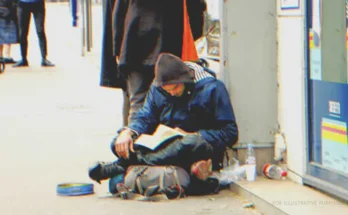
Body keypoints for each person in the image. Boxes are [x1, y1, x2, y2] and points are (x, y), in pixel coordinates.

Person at [89, 53, 239, 193]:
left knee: (189, 142)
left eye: (175, 88)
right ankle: (130, 163)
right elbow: (145, 117)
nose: (172, 93)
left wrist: (195, 134)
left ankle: (124, 165)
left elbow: (230, 132)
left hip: (195, 148)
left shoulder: (212, 88)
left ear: (185, 79)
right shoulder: (158, 89)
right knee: (119, 145)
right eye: (167, 90)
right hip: (164, 148)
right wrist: (128, 132)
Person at [105, 0, 207, 126]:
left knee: (138, 103)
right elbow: (195, 7)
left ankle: (134, 141)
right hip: (169, 39)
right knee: (171, 101)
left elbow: (119, 10)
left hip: (135, 41)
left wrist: (118, 47)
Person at [13, 0, 54, 67]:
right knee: (23, 33)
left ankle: (44, 58)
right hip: (23, 4)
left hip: (38, 4)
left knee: (40, 31)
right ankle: (23, 58)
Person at [0, 0, 18, 67]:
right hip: (7, 9)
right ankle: (6, 56)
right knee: (7, 32)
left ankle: (3, 56)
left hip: (7, 8)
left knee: (5, 32)